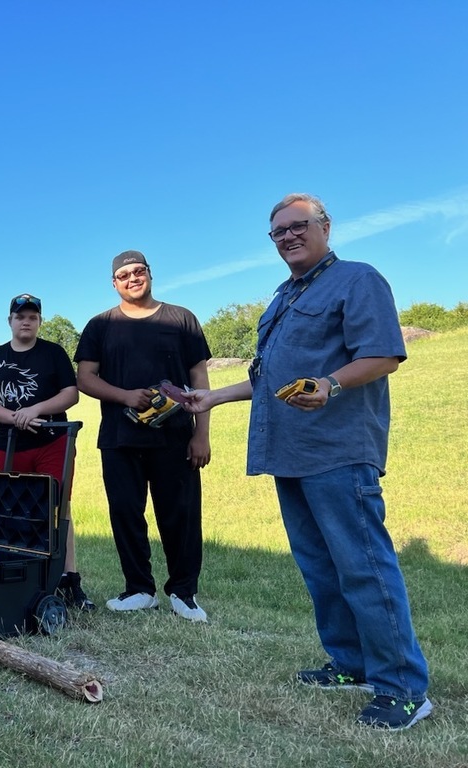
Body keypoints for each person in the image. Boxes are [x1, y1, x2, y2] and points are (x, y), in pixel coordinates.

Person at [181, 193, 431, 730]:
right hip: (288, 452)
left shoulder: (358, 279)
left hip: (338, 451)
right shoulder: (283, 297)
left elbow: (385, 352)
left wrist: (332, 384)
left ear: (324, 226)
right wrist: (211, 398)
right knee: (319, 568)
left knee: (362, 565)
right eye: (278, 232)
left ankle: (404, 687)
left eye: (298, 226)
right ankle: (351, 663)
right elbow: (267, 376)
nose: (289, 237)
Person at [75, 250, 212, 622]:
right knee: (125, 512)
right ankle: (139, 589)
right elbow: (85, 378)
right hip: (119, 437)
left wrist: (202, 435)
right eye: (124, 275)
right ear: (114, 283)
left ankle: (184, 593)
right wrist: (125, 396)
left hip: (175, 435)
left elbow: (199, 378)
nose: (133, 278)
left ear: (150, 274)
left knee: (180, 514)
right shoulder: (100, 325)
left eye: (139, 271)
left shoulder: (181, 318)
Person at [0, 293, 94, 611]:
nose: (25, 321)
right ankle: (20, 576)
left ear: (39, 321)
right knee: (14, 511)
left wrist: (36, 411)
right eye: (20, 316)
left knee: (58, 508)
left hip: (53, 441)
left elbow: (70, 394)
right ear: (10, 321)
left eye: (32, 316)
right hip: (10, 444)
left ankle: (69, 579)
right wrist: (15, 417)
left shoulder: (54, 353)